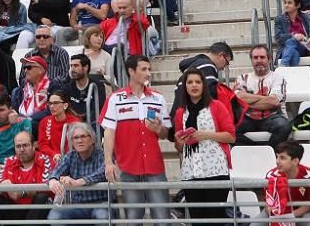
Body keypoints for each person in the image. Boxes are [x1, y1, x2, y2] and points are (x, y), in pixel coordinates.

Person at [101, 55, 171, 224]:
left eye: (149, 69)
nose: (148, 73)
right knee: (133, 219)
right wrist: (108, 162)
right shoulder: (115, 98)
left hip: (154, 166)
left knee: (162, 218)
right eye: (144, 69)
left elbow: (166, 133)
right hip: (128, 167)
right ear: (131, 71)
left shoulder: (158, 98)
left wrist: (158, 129)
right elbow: (109, 132)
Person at [172, 68, 236, 223]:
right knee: (197, 219)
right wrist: (179, 142)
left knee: (216, 218)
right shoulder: (180, 112)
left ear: (203, 85)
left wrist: (207, 135)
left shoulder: (217, 106)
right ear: (185, 86)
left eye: (198, 82)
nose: (194, 85)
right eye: (190, 82)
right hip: (191, 171)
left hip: (215, 169)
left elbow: (231, 136)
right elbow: (180, 148)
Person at [46, 121, 111, 222]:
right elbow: (56, 171)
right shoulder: (70, 156)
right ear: (71, 142)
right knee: (55, 215)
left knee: (102, 216)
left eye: (83, 136)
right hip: (78, 206)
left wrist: (78, 182)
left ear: (92, 139)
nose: (79, 140)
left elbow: (103, 172)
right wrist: (53, 180)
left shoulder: (101, 155)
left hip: (101, 204)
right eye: (75, 138)